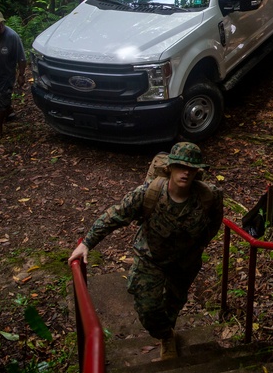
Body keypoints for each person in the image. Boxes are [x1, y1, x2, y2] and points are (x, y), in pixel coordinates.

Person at [68, 143, 224, 361]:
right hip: (151, 257)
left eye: (192, 167)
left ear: (198, 171)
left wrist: (200, 244)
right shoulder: (148, 194)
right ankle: (164, 333)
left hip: (185, 262)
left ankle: (167, 338)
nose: (186, 172)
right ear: (170, 168)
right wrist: (87, 243)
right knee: (148, 309)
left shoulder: (210, 196)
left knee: (174, 303)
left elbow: (214, 222)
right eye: (181, 166)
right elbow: (115, 215)